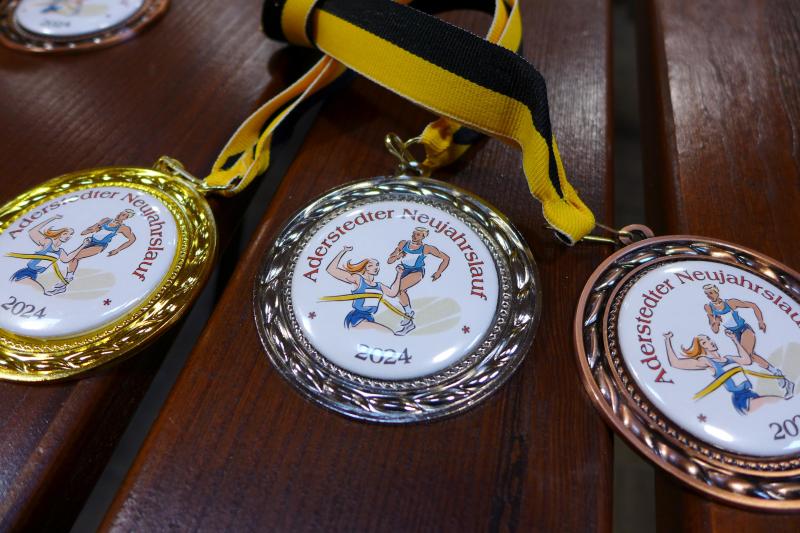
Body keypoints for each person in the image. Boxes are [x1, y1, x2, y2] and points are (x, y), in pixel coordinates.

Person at [663, 330, 790, 414]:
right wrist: (667, 340)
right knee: (777, 402)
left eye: (708, 338)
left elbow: (747, 361)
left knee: (776, 407)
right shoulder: (707, 361)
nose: (710, 342)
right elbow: (676, 363)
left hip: (751, 393)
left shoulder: (728, 358)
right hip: (741, 398)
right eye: (704, 342)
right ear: (702, 347)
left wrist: (734, 340)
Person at [702, 283, 793, 397]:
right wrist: (716, 322)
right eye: (707, 294)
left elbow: (753, 305)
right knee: (752, 356)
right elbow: (715, 330)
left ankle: (778, 375)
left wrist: (760, 321)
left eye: (711, 293)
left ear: (716, 292)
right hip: (734, 335)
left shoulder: (730, 303)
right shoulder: (709, 307)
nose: (709, 296)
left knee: (748, 356)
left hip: (744, 329)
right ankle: (781, 377)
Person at [48, 209, 137, 295]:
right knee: (73, 259)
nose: (120, 215)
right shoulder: (106, 220)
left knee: (74, 257)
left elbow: (132, 239)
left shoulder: (123, 228)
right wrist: (89, 230)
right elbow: (90, 229)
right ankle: (65, 284)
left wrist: (117, 250)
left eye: (124, 215)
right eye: (121, 213)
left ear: (126, 218)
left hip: (99, 246)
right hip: (90, 241)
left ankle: (66, 281)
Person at [325, 246, 404, 334]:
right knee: (389, 332)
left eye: (377, 265)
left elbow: (393, 293)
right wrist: (343, 251)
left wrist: (399, 274)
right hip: (357, 317)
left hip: (369, 317)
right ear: (365, 268)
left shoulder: (379, 285)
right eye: (371, 265)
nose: (375, 267)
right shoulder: (358, 279)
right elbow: (331, 270)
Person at [386, 227, 450, 335]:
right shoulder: (403, 244)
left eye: (418, 235)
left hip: (417, 271)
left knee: (399, 289)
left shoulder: (426, 248)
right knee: (397, 291)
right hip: (403, 270)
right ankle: (408, 316)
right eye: (414, 233)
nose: (414, 236)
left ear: (423, 237)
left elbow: (446, 258)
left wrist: (438, 272)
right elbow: (389, 260)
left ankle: (409, 316)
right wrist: (398, 256)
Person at [9, 215, 86, 295]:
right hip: (27, 272)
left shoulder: (60, 251)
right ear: (59, 233)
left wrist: (83, 245)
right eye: (65, 233)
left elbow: (67, 259)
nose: (68, 236)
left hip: (35, 275)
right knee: (41, 290)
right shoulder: (47, 242)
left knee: (34, 291)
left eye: (70, 235)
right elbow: (32, 232)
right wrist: (52, 218)